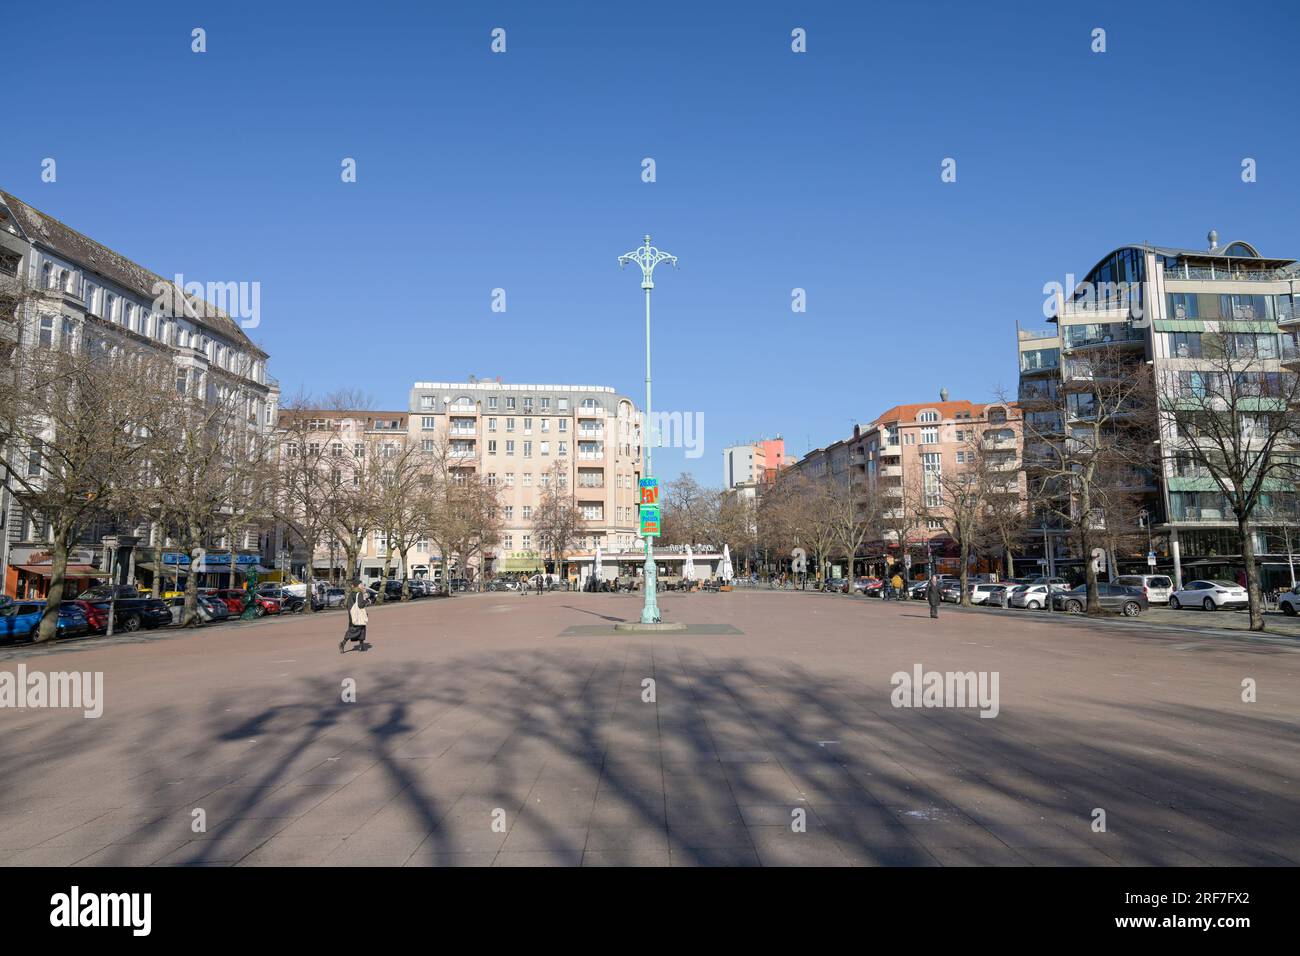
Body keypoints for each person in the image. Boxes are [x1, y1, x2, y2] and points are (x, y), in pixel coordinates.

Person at [340, 578, 371, 653]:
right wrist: (367, 601)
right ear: (358, 585)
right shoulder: (359, 593)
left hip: (352, 615)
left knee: (355, 629)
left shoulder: (352, 593)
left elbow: (349, 604)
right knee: (359, 629)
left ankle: (360, 645)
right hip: (358, 615)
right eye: (361, 584)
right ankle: (343, 643)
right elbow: (360, 605)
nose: (362, 586)